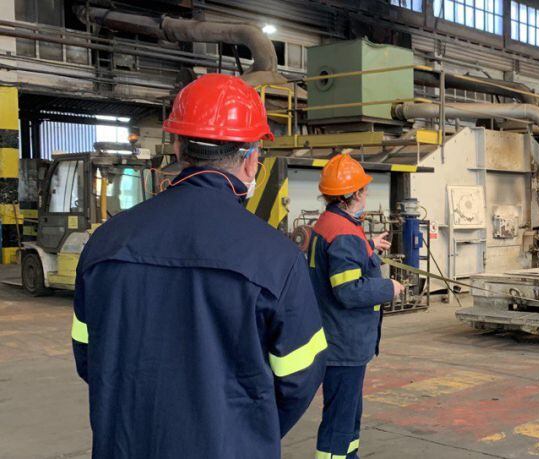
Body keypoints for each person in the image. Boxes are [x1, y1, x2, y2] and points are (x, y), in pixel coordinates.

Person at [72, 74, 326, 458]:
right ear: (253, 158)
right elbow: (299, 377)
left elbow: (90, 357)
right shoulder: (276, 258)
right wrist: (246, 425)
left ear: (176, 146)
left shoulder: (105, 243)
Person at [308, 153, 405, 458]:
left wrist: (369, 245)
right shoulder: (345, 234)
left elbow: (340, 260)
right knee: (341, 419)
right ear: (353, 195)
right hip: (344, 342)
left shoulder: (330, 223)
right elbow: (349, 290)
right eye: (363, 190)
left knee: (349, 415)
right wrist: (389, 287)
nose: (366, 194)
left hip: (335, 336)